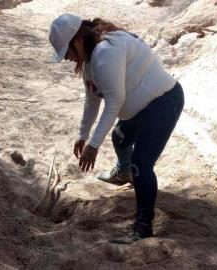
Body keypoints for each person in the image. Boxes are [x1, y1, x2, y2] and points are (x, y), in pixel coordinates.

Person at [49, 14, 184, 244]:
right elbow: (92, 98)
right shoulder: (91, 58)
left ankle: (143, 228)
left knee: (141, 164)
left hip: (163, 103)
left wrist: (93, 146)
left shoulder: (106, 51)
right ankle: (123, 172)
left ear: (77, 41)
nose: (67, 59)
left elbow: (114, 102)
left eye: (67, 52)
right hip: (140, 109)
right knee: (120, 137)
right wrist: (83, 135)